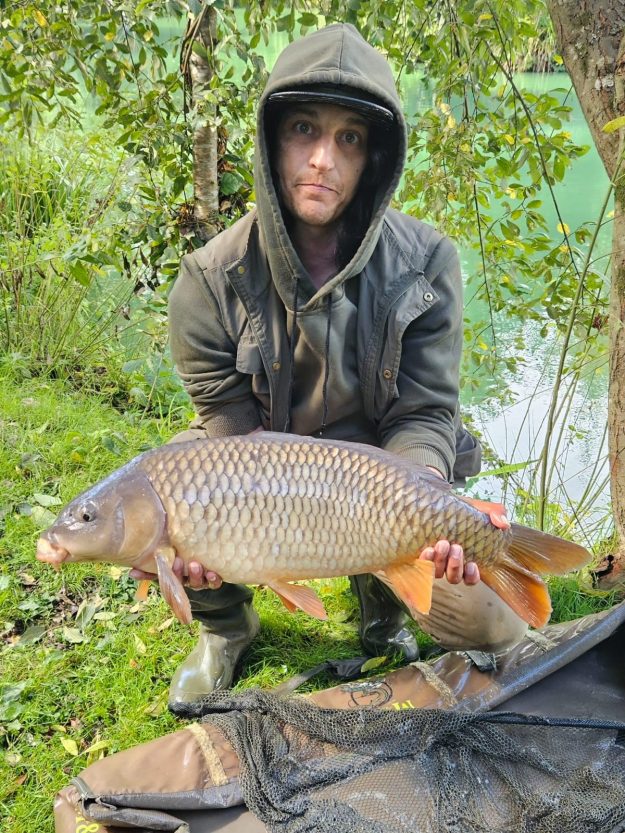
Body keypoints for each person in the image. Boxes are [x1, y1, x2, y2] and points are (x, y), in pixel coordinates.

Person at [132, 23, 526, 707]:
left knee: (490, 627)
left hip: (379, 469)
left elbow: (424, 412)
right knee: (175, 492)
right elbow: (229, 437)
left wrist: (424, 501)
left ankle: (386, 607)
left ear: (374, 157)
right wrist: (201, 537)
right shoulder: (207, 278)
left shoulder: (427, 261)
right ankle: (226, 627)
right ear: (270, 141)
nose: (322, 159)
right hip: (262, 466)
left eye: (348, 138)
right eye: (304, 130)